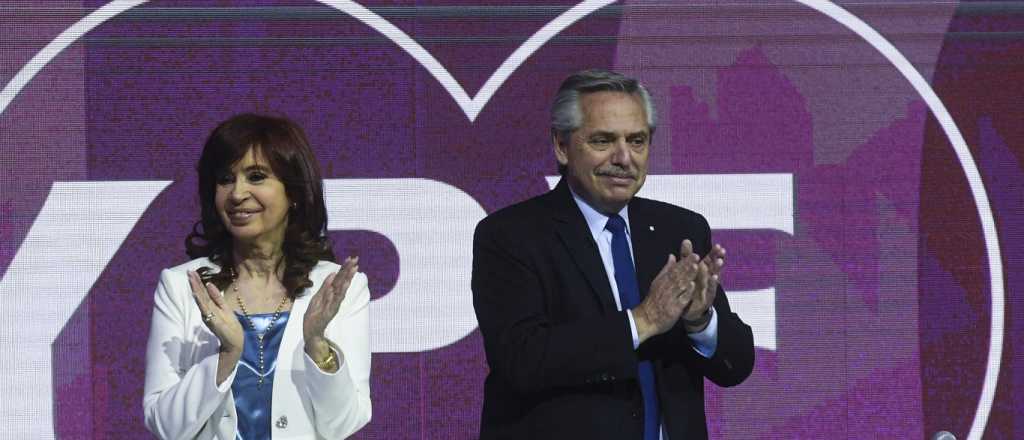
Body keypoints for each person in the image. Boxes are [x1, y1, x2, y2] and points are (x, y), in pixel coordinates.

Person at [472, 69, 755, 439]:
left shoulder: (679, 230)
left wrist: (700, 321)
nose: (624, 158)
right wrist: (643, 320)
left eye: (637, 141)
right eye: (603, 141)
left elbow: (735, 366)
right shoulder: (511, 235)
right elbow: (523, 361)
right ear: (561, 145)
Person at [143, 113, 371, 439]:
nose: (237, 194)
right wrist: (227, 356)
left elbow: (344, 424)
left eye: (256, 176)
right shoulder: (181, 286)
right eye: (225, 179)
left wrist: (318, 345)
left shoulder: (337, 288)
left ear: (292, 191)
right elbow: (165, 425)